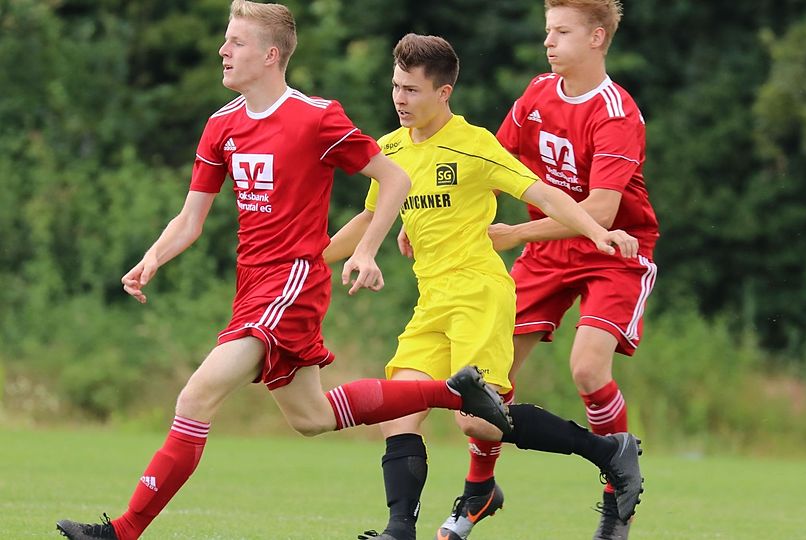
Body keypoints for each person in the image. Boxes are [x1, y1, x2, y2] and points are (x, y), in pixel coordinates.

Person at [54, 3, 513, 540]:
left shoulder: (316, 117)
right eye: (226, 40)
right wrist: (153, 257)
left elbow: (394, 179)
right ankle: (456, 393)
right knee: (311, 417)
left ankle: (123, 531)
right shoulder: (221, 125)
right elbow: (190, 219)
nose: (223, 51)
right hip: (252, 286)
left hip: (292, 282)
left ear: (271, 55)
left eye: (236, 42)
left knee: (196, 397)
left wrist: (366, 250)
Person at [323, 34, 643, 540]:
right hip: (431, 302)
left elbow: (544, 194)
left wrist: (597, 232)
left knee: (477, 422)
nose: (400, 99)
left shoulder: (473, 145)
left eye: (412, 90)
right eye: (396, 87)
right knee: (398, 412)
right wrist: (306, 263)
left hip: (478, 296)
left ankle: (606, 450)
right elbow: (368, 217)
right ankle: (398, 530)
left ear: (443, 93)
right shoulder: (389, 149)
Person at [444, 1, 660, 539]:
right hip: (547, 254)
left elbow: (601, 213)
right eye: (547, 31)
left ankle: (617, 504)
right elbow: (490, 164)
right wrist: (434, 216)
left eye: (561, 32)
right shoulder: (538, 93)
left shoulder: (617, 113)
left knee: (587, 368)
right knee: (483, 385)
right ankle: (480, 490)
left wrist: (516, 233)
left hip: (612, 252)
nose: (548, 41)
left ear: (596, 38)